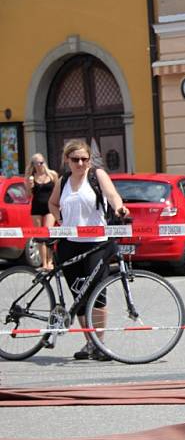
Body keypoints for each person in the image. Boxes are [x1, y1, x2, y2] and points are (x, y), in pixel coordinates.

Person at [47, 139, 129, 362]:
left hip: (96, 243)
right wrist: (60, 219)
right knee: (79, 296)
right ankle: (89, 342)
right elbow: (52, 204)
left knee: (98, 295)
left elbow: (112, 195)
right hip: (68, 243)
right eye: (76, 160)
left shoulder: (97, 175)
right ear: (67, 160)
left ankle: (100, 343)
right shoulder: (63, 180)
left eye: (85, 159)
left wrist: (119, 207)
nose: (81, 164)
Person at [23, 153, 58, 270]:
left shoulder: (52, 175)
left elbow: (58, 190)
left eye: (41, 162)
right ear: (33, 164)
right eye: (37, 163)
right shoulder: (30, 177)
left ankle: (50, 261)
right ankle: (44, 263)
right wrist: (29, 186)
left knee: (48, 233)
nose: (40, 165)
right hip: (37, 207)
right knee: (40, 236)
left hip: (50, 207)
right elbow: (28, 195)